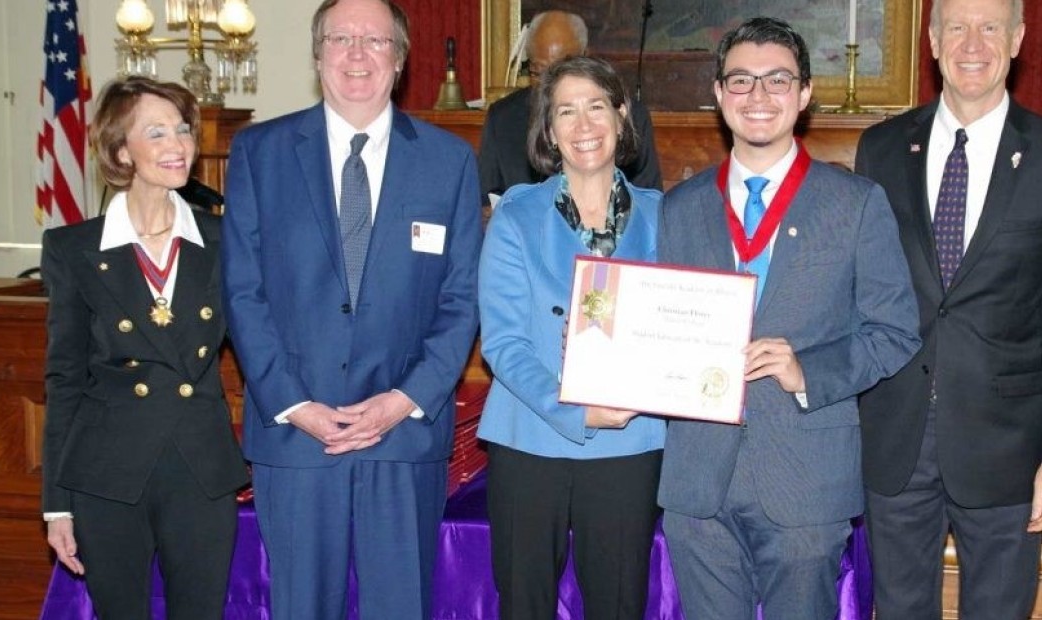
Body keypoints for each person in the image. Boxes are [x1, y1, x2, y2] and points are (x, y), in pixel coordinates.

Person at [219, 0, 482, 617]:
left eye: (375, 40)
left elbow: (461, 298)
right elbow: (242, 292)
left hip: (403, 434)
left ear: (400, 58)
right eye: (341, 38)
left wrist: (404, 400)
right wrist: (294, 403)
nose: (357, 54)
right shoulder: (260, 153)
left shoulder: (449, 163)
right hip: (295, 435)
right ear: (317, 54)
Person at [656, 17, 921, 620]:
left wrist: (810, 371)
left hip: (806, 481)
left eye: (777, 80)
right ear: (719, 95)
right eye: (741, 80)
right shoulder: (680, 208)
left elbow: (896, 330)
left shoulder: (854, 203)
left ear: (804, 95)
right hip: (699, 484)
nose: (758, 96)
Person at [854, 0, 1042, 617]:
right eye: (956, 27)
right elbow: (860, 293)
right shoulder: (881, 149)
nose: (973, 43)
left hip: (1008, 449)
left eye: (990, 27)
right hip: (896, 436)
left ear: (1017, 40)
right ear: (933, 43)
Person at [41, 76, 248, 618]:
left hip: (199, 467)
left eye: (183, 130)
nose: (178, 145)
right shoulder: (74, 248)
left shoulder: (226, 240)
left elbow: (261, 345)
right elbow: (65, 381)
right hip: (107, 472)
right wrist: (56, 505)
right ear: (119, 151)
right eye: (156, 133)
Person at [477, 56, 665, 620]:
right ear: (550, 131)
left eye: (596, 107)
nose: (584, 125)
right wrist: (574, 409)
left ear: (621, 116)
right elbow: (504, 343)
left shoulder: (670, 216)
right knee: (526, 604)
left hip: (629, 444)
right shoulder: (515, 214)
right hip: (530, 437)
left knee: (618, 603)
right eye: (566, 111)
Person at [477, 10, 662, 205]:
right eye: (538, 72)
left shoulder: (627, 116)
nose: (550, 85)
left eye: (561, 71)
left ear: (585, 57)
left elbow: (650, 204)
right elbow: (484, 201)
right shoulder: (503, 118)